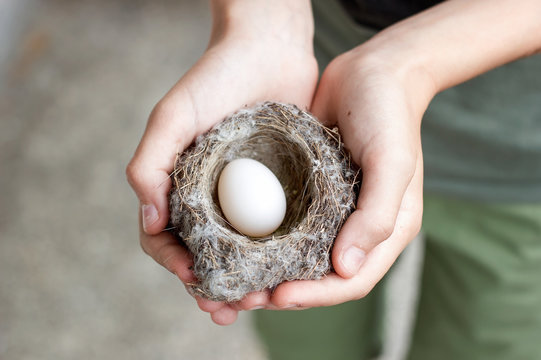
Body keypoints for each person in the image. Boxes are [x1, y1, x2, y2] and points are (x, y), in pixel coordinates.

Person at [126, 0, 541, 359]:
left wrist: (409, 64)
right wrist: (262, 21)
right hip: (321, 94)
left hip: (519, 168)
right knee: (308, 346)